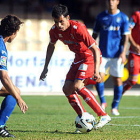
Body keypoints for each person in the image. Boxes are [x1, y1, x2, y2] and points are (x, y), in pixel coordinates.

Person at [40, 4, 111, 131]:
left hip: (90, 56)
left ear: (68, 18)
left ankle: (103, 115)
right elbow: (51, 46)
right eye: (56, 22)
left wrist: (96, 71)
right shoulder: (54, 31)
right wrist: (45, 67)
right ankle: (83, 117)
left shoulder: (78, 28)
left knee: (78, 86)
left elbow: (95, 49)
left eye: (61, 21)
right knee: (67, 89)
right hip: (78, 58)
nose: (59, 25)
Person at [92, 0, 130, 115]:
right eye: (109, 0)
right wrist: (91, 49)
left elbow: (126, 37)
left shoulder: (123, 17)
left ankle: (115, 106)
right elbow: (94, 34)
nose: (111, 2)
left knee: (117, 80)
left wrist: (123, 53)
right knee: (99, 77)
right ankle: (103, 102)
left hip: (117, 54)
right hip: (102, 54)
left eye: (113, 0)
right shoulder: (101, 17)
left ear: (117, 1)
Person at [0, 15, 28, 138]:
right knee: (15, 92)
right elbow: (4, 77)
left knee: (15, 90)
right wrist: (18, 99)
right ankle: (0, 126)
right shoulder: (1, 46)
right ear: (13, 32)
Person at [122, 10, 140, 94]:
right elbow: (128, 30)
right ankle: (118, 94)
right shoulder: (137, 15)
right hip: (136, 53)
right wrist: (133, 44)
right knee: (133, 80)